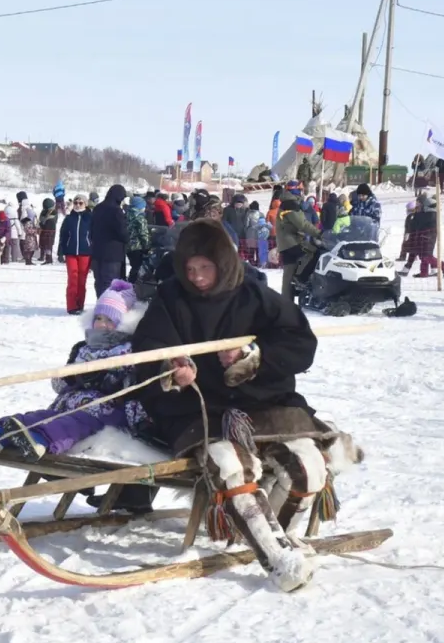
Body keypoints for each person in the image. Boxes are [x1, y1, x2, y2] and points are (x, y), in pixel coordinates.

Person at [128, 219, 322, 591]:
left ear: (223, 263)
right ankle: (278, 558)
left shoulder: (254, 294)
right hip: (198, 408)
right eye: (190, 269)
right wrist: (173, 367)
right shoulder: (171, 298)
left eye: (205, 267)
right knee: (231, 466)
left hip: (265, 401)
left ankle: (270, 534)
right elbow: (149, 348)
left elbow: (300, 343)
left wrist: (252, 355)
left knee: (307, 467)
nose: (197, 277)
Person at [0, 279, 143, 459]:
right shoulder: (82, 348)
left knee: (69, 425)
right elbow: (60, 384)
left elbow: (131, 386)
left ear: (124, 323)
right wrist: (68, 377)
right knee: (41, 417)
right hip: (68, 404)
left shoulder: (128, 351)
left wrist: (105, 379)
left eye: (110, 320)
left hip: (103, 412)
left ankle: (38, 440)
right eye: (98, 318)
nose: (102, 324)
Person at [90, 184, 130, 296]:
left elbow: (91, 229)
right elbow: (122, 233)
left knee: (99, 282)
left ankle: (100, 303)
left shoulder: (97, 208)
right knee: (110, 284)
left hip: (97, 252)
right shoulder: (116, 211)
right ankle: (107, 305)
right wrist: (128, 237)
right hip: (113, 254)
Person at [57, 193, 93, 313]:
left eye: (80, 203)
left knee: (82, 280)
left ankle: (80, 305)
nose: (77, 205)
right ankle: (72, 306)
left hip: (85, 252)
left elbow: (94, 236)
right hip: (71, 252)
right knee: (72, 279)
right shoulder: (69, 218)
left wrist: (94, 250)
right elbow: (63, 235)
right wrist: (61, 251)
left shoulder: (90, 218)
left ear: (85, 204)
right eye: (76, 203)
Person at [398, 190, 444, 278]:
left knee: (424, 254)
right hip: (418, 235)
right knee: (419, 253)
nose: (417, 204)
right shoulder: (421, 211)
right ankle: (427, 270)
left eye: (418, 202)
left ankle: (440, 267)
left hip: (422, 235)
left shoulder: (426, 213)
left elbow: (417, 223)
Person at [126, 196, 152, 279]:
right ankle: (132, 283)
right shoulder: (139, 218)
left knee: (133, 265)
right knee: (137, 267)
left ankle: (131, 281)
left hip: (127, 245)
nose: (144, 208)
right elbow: (143, 233)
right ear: (139, 207)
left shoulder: (126, 214)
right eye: (143, 206)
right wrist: (147, 246)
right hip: (137, 246)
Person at [35, 195, 58, 265]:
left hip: (49, 232)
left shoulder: (53, 214)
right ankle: (44, 257)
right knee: (43, 244)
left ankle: (49, 259)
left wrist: (41, 224)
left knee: (48, 246)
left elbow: (47, 224)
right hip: (46, 231)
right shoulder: (45, 211)